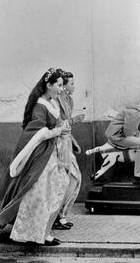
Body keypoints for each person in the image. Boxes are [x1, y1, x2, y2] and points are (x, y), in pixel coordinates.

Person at [0, 68, 71, 246]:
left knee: (56, 188)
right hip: (39, 154)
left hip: (49, 152)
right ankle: (33, 233)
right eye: (59, 85)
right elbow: (37, 132)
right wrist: (58, 130)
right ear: (49, 85)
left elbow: (52, 126)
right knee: (38, 192)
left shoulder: (52, 102)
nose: (62, 89)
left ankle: (42, 231)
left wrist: (62, 127)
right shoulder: (40, 105)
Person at [104, 92, 140, 189]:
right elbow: (129, 132)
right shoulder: (137, 113)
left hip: (120, 134)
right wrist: (139, 136)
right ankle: (139, 177)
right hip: (117, 136)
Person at [54, 69, 83, 230]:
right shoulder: (57, 101)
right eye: (71, 84)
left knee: (73, 179)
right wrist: (74, 120)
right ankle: (58, 216)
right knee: (71, 178)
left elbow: (66, 128)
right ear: (63, 86)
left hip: (66, 143)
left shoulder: (69, 101)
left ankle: (61, 215)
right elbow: (60, 124)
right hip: (58, 145)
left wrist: (74, 141)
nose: (74, 86)